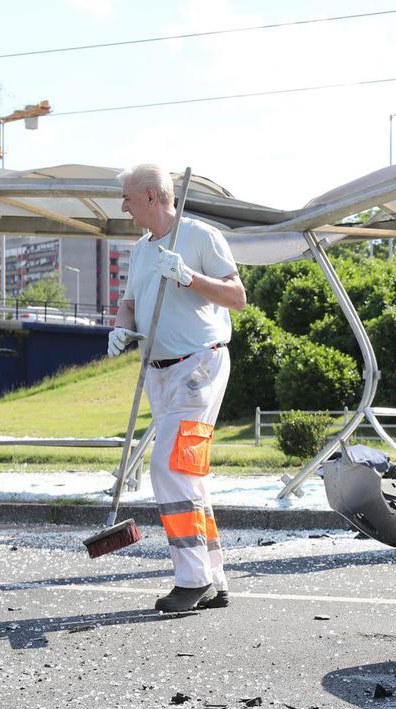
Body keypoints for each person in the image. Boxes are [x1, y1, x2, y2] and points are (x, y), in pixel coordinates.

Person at [108, 164, 247, 613]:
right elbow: (129, 303)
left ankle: (193, 580)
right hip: (160, 373)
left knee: (168, 467)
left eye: (128, 198)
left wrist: (188, 277)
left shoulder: (200, 236)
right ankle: (214, 578)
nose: (123, 206)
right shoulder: (140, 251)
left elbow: (236, 297)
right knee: (188, 473)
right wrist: (121, 329)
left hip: (198, 367)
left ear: (151, 196)